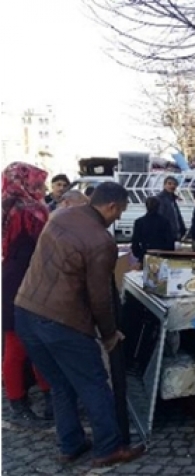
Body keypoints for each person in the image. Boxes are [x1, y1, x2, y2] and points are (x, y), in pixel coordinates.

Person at [15, 182, 146, 467]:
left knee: (61, 384)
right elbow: (101, 298)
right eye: (121, 211)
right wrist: (109, 334)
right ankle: (109, 448)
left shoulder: (60, 216)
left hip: (25, 310)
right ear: (112, 206)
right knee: (94, 385)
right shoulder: (101, 241)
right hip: (62, 320)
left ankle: (71, 444)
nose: (119, 218)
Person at [2, 162, 52, 422]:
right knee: (27, 343)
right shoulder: (30, 211)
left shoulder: (5, 206)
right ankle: (33, 400)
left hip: (12, 279)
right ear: (26, 182)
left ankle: (24, 399)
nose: (43, 187)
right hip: (27, 281)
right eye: (38, 182)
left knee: (20, 344)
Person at [131, 196, 175, 262]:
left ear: (146, 206)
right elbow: (170, 242)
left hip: (145, 255)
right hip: (162, 255)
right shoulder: (165, 221)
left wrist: (140, 255)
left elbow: (135, 243)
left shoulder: (139, 222)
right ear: (158, 206)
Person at [157, 176, 186, 242]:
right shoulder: (161, 199)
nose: (172, 186)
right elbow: (160, 216)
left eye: (174, 184)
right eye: (169, 184)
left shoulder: (172, 199)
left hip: (175, 234)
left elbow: (177, 216)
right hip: (166, 234)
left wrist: (182, 229)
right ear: (164, 185)